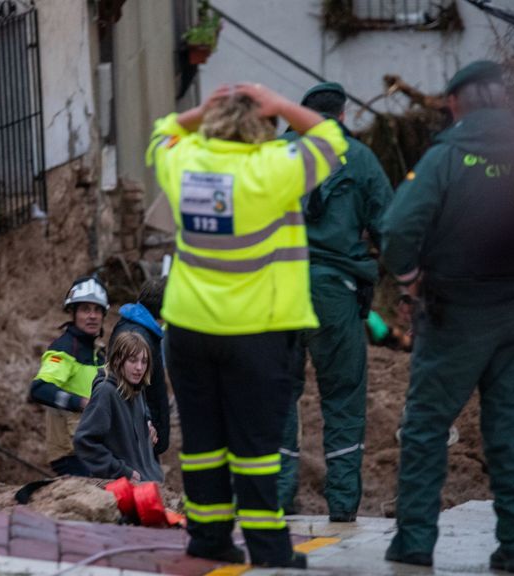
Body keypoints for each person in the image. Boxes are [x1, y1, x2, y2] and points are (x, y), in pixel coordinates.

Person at [147, 83, 347, 568]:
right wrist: (279, 104)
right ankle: (268, 549)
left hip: (189, 331)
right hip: (257, 334)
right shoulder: (274, 169)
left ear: (213, 124)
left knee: (202, 444)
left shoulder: (185, 162)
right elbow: (330, 139)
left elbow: (161, 135)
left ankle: (209, 538)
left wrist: (203, 108)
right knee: (256, 446)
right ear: (262, 128)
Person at [380, 61, 514, 574]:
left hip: (454, 314)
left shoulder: (446, 157)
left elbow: (396, 230)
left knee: (428, 428)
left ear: (456, 103)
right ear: (502, 100)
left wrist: (411, 279)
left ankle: (414, 543)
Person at [276, 82, 393, 522]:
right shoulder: (360, 158)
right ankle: (342, 507)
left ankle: (279, 497)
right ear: (342, 116)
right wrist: (409, 285)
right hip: (335, 295)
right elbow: (392, 228)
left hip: (279, 291)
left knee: (278, 394)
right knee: (342, 398)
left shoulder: (275, 154)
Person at [28, 275, 108, 476]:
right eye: (85, 309)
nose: (92, 316)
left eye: (97, 310)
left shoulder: (99, 353)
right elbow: (39, 389)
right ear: (73, 313)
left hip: (96, 449)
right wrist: (80, 402)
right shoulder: (64, 348)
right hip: (71, 454)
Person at [73, 331, 165, 482]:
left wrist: (147, 423)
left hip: (148, 482)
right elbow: (84, 441)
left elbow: (142, 412)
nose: (139, 368)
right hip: (120, 488)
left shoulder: (137, 388)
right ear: (117, 360)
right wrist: (121, 471)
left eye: (144, 361)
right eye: (133, 360)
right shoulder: (105, 392)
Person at [109, 277, 170, 458]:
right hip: (140, 436)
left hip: (141, 432)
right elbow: (131, 387)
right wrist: (146, 424)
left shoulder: (138, 327)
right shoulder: (138, 337)